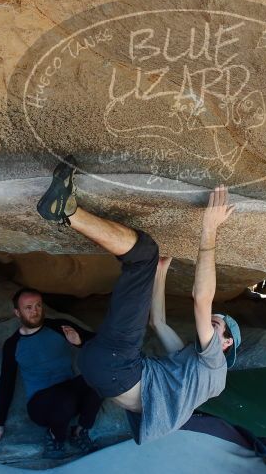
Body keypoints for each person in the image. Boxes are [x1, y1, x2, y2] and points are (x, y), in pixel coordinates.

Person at [36, 157, 241, 444]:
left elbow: (201, 299)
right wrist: (159, 274)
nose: (208, 324)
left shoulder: (215, 365)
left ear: (227, 343)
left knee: (143, 255)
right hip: (104, 372)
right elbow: (158, 322)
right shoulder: (193, 370)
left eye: (217, 324)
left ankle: (66, 210)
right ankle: (68, 211)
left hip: (119, 368)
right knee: (149, 261)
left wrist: (209, 230)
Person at [0, 288, 103, 458]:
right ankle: (55, 437)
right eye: (28, 307)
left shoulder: (59, 327)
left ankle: (79, 432)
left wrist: (80, 342)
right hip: (40, 405)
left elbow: (97, 341)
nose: (35, 311)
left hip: (69, 393)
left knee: (100, 377)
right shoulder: (13, 344)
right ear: (17, 312)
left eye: (38, 306)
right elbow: (6, 382)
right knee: (64, 399)